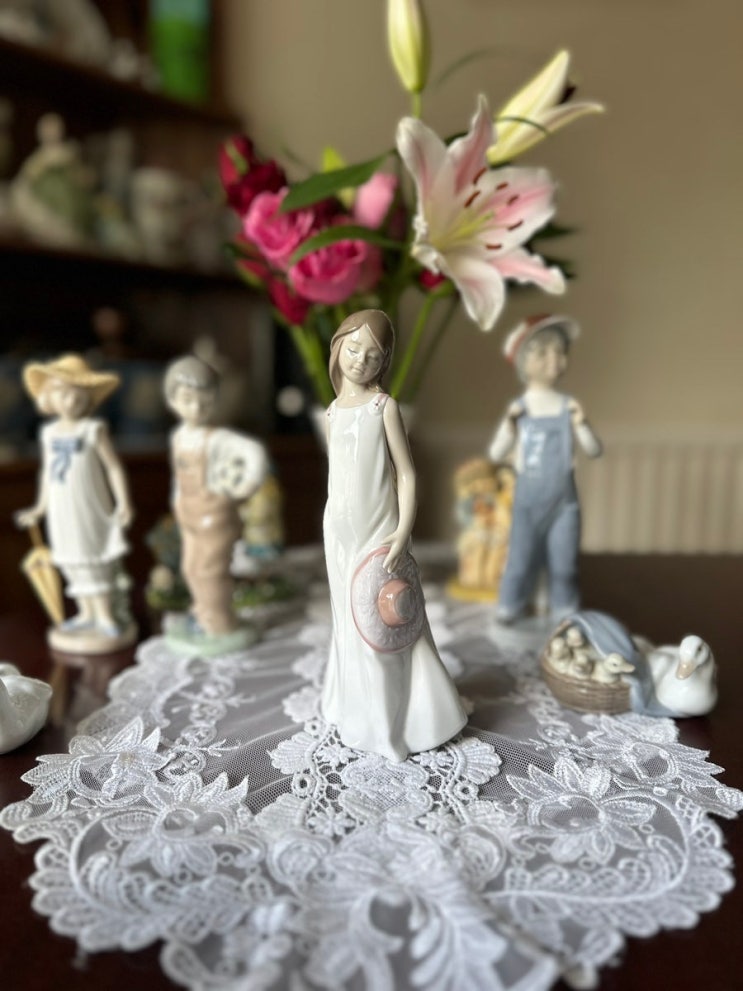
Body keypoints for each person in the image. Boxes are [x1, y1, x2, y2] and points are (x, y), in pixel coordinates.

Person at [322, 309, 467, 762]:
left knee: (383, 626)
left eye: (373, 355)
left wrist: (403, 531)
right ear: (337, 348)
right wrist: (334, 524)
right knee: (348, 624)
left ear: (384, 362)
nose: (360, 360)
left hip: (379, 532)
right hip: (339, 534)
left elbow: (406, 473)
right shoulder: (332, 412)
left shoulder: (382, 407)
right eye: (353, 349)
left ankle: (392, 728)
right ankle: (353, 711)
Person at [14, 353, 135, 650]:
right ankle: (86, 613)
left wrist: (123, 502)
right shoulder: (49, 433)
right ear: (50, 398)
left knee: (93, 554)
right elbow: (47, 473)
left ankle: (105, 615)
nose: (71, 400)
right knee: (70, 557)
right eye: (63, 393)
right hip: (61, 506)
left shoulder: (92, 429)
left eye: (78, 394)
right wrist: (39, 507)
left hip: (88, 504)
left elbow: (113, 468)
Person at [488, 314, 602, 624]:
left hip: (564, 503)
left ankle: (563, 610)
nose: (554, 359)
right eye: (543, 352)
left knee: (564, 565)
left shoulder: (568, 407)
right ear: (523, 362)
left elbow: (594, 450)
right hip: (527, 503)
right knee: (520, 561)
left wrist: (582, 423)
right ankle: (510, 606)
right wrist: (509, 426)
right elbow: (496, 453)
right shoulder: (520, 409)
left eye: (560, 351)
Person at [164, 354, 266, 641]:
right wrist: (177, 502)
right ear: (172, 400)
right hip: (189, 513)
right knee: (190, 568)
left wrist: (245, 487)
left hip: (215, 515)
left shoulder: (216, 438)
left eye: (205, 401)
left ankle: (219, 621)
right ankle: (203, 611)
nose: (196, 408)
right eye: (187, 400)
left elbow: (254, 452)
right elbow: (179, 479)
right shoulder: (179, 437)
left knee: (211, 571)